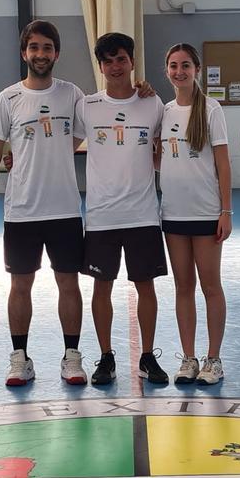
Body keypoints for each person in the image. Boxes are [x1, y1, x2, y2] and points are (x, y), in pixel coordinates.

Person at [0, 20, 88, 387]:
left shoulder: (73, 95)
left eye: (47, 47)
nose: (41, 54)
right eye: (34, 47)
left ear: (56, 53)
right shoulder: (7, 98)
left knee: (68, 283)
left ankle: (71, 357)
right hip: (22, 211)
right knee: (20, 285)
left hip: (65, 210)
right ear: (24, 53)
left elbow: (86, 135)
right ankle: (20, 358)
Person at [75, 32, 169, 386]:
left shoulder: (152, 103)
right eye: (108, 60)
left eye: (122, 59)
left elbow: (164, 151)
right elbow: (60, 146)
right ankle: (106, 357)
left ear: (132, 62)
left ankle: (147, 357)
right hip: (101, 216)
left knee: (146, 287)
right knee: (101, 288)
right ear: (100, 66)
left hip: (143, 214)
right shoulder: (87, 106)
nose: (116, 66)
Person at [157, 43, 232, 386]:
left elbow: (222, 163)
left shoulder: (211, 110)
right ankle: (189, 358)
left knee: (210, 286)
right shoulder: (165, 111)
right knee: (183, 287)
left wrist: (225, 210)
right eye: (173, 66)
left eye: (185, 65)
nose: (179, 71)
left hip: (205, 214)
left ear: (197, 70)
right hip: (173, 215)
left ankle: (213, 359)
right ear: (167, 70)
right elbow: (158, 158)